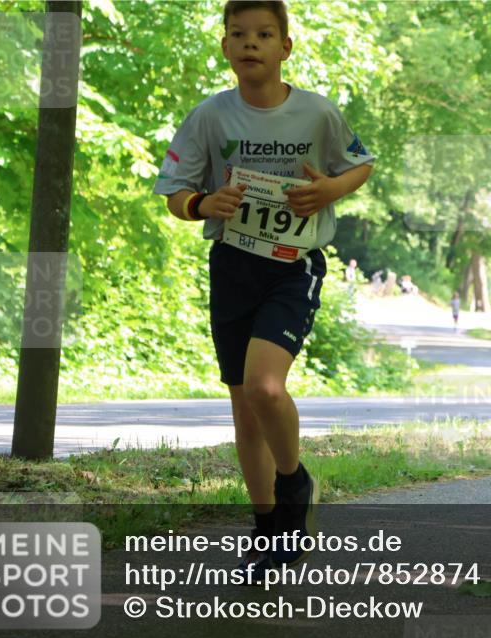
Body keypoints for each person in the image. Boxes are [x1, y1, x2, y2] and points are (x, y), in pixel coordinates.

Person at [153, 0, 374, 577]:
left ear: (285, 47)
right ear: (225, 46)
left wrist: (330, 189)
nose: (250, 43)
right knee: (245, 410)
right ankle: (270, 529)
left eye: (264, 34)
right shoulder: (210, 116)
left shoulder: (317, 113)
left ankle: (294, 481)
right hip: (233, 265)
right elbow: (175, 191)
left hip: (292, 265)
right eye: (239, 34)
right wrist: (203, 203)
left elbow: (360, 164)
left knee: (266, 387)